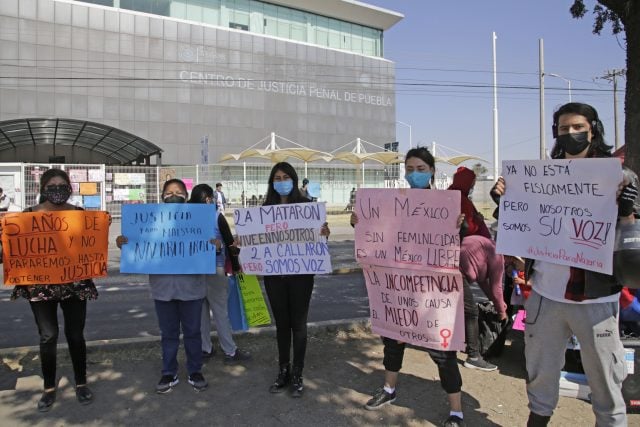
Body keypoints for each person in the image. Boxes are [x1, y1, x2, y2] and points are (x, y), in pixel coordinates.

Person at [491, 102, 637, 426]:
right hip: (545, 294)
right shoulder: (541, 177)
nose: (570, 134)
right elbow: (521, 228)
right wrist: (504, 203)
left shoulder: (619, 176)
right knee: (541, 371)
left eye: (577, 127)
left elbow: (631, 238)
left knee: (604, 377)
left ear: (593, 129)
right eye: (563, 128)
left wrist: (627, 211)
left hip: (596, 299)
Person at [351, 147, 468, 427]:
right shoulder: (390, 202)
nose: (414, 174)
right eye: (410, 169)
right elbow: (375, 235)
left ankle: (456, 411)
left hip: (432, 293)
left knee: (443, 351)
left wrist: (458, 226)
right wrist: (360, 223)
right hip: (397, 290)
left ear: (431, 172)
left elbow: (457, 242)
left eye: (421, 169)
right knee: (393, 340)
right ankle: (389, 389)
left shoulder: (445, 204)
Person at [3, 169, 98, 411]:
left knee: (76, 335)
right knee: (48, 336)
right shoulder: (26, 217)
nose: (57, 189)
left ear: (70, 188)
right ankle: (48, 387)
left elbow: (91, 246)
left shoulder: (80, 215)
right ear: (43, 189)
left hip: (74, 284)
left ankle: (80, 383)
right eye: (52, 185)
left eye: (62, 184)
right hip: (40, 284)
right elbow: (14, 251)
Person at [116, 179, 215, 394]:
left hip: (192, 289)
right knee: (168, 333)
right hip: (163, 289)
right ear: (162, 196)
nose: (173, 195)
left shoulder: (199, 220)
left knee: (192, 332)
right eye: (169, 192)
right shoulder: (151, 220)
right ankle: (168, 372)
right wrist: (124, 242)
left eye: (178, 192)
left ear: (186, 196)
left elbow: (212, 247)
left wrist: (215, 246)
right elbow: (137, 243)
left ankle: (194, 370)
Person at [262, 162, 330, 398]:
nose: (281, 181)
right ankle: (283, 370)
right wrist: (244, 243)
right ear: (272, 182)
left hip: (301, 277)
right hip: (274, 277)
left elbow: (317, 242)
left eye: (286, 177)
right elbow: (257, 242)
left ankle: (298, 373)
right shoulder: (264, 210)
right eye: (277, 178)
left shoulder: (306, 207)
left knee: (299, 325)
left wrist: (324, 234)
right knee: (282, 325)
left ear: (293, 179)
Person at [188, 184, 251, 364]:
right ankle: (230, 351)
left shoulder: (187, 218)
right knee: (220, 312)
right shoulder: (217, 217)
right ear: (209, 199)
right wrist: (237, 267)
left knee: (200, 314)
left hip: (194, 271)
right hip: (216, 269)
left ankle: (205, 349)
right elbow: (231, 245)